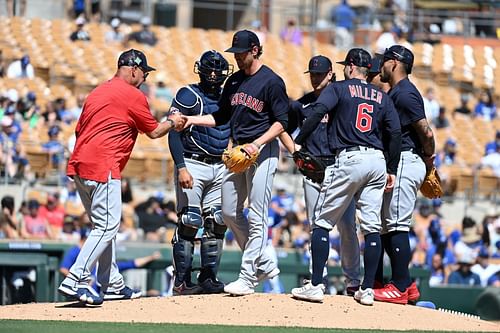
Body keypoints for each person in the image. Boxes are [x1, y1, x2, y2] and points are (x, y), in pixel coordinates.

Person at [57, 49, 185, 305]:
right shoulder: (132, 95)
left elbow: (79, 130)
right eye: (144, 73)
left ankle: (112, 283)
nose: (145, 79)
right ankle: (76, 279)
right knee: (106, 227)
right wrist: (173, 121)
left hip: (81, 165)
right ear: (133, 69)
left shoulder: (98, 92)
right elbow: (155, 132)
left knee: (103, 227)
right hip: (103, 165)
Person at [180, 30, 289, 296]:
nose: (237, 57)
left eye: (241, 52)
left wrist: (258, 143)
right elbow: (221, 116)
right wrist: (191, 119)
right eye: (235, 53)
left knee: (259, 212)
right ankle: (263, 262)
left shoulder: (272, 81)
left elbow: (282, 122)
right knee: (228, 212)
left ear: (255, 50)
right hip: (239, 152)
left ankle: (249, 276)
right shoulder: (235, 81)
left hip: (262, 151)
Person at [290, 48, 402, 304]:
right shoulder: (382, 96)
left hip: (349, 157)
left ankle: (316, 284)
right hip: (376, 160)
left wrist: (299, 141)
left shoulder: (339, 88)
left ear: (351, 67)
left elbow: (317, 112)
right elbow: (394, 133)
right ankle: (366, 289)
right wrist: (392, 168)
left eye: (345, 66)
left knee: (321, 222)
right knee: (371, 226)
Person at [283, 55, 361, 295]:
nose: (316, 78)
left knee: (348, 225)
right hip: (313, 170)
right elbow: (283, 129)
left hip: (340, 169)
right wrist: (295, 151)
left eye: (321, 74)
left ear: (331, 74)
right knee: (315, 226)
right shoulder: (301, 105)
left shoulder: (342, 100)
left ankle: (352, 280)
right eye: (313, 74)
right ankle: (318, 279)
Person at [168, 50, 233, 295]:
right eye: (210, 69)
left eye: (219, 70)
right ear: (201, 69)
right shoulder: (188, 94)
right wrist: (181, 166)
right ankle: (182, 282)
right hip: (192, 162)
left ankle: (208, 278)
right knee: (189, 221)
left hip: (220, 164)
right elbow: (173, 132)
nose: (215, 74)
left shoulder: (229, 97)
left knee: (216, 221)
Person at [375, 45, 436, 305]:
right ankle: (407, 283)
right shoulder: (397, 92)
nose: (381, 66)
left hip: (407, 159)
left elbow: (427, 132)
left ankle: (399, 286)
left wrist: (429, 157)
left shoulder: (405, 93)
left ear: (394, 63)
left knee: (396, 224)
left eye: (384, 61)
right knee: (389, 224)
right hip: (404, 160)